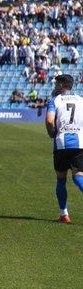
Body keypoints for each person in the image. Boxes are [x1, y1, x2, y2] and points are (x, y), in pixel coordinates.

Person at [46, 74, 83, 223]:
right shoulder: (81, 100)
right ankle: (63, 215)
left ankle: (64, 214)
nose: (55, 87)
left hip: (61, 144)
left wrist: (51, 133)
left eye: (56, 84)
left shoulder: (55, 100)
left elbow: (49, 120)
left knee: (61, 178)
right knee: (79, 176)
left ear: (61, 85)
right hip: (80, 144)